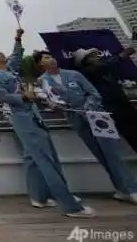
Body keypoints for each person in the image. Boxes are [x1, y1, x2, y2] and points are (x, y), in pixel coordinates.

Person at [0, 34, 95, 218]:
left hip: (32, 115)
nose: (0, 52)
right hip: (22, 117)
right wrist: (25, 97)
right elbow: (3, 97)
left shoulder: (9, 69)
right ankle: (70, 206)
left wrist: (18, 39)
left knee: (33, 158)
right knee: (47, 161)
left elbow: (17, 56)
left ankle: (39, 197)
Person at [36, 51, 137, 204]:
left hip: (96, 115)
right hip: (75, 118)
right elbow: (45, 100)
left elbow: (93, 93)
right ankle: (121, 189)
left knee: (112, 153)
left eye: (51, 56)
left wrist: (88, 106)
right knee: (100, 155)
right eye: (46, 58)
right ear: (40, 64)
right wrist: (52, 105)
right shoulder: (42, 81)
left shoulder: (74, 74)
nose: (52, 59)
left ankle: (132, 189)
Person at [73, 46, 137, 153]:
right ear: (87, 60)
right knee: (132, 134)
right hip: (113, 109)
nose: (98, 58)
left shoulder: (103, 72)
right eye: (93, 56)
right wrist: (121, 56)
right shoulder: (87, 72)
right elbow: (107, 65)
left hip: (123, 106)